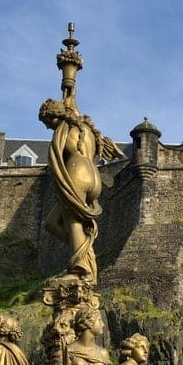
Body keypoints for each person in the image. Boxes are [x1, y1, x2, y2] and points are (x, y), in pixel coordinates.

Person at [39, 97, 123, 285]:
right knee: (52, 223)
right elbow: (70, 96)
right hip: (94, 176)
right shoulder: (83, 124)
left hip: (76, 170)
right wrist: (69, 76)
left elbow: (68, 97)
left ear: (55, 116)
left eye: (47, 122)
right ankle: (85, 253)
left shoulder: (65, 127)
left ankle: (81, 269)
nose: (47, 127)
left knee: (73, 222)